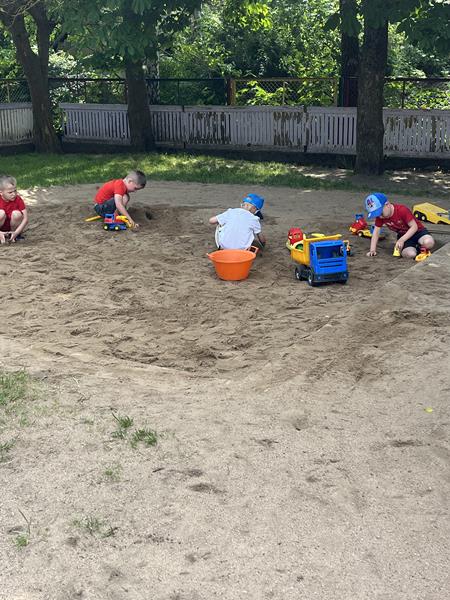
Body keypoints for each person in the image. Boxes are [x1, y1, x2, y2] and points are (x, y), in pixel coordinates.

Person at [365, 192, 435, 259]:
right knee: (410, 254)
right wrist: (372, 250)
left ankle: (422, 247)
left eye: (380, 213)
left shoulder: (401, 210)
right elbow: (376, 232)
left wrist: (401, 240)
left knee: (428, 242)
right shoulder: (380, 217)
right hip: (404, 236)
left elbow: (414, 227)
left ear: (387, 204)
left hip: (418, 232)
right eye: (377, 214)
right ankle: (417, 248)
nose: (380, 216)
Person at [0, 175, 28, 244]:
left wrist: (16, 232)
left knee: (17, 214)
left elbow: (25, 219)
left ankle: (14, 236)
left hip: (13, 228)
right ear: (1, 192)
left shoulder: (18, 199)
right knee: (1, 213)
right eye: (10, 192)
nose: (14, 194)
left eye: (15, 191)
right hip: (1, 228)